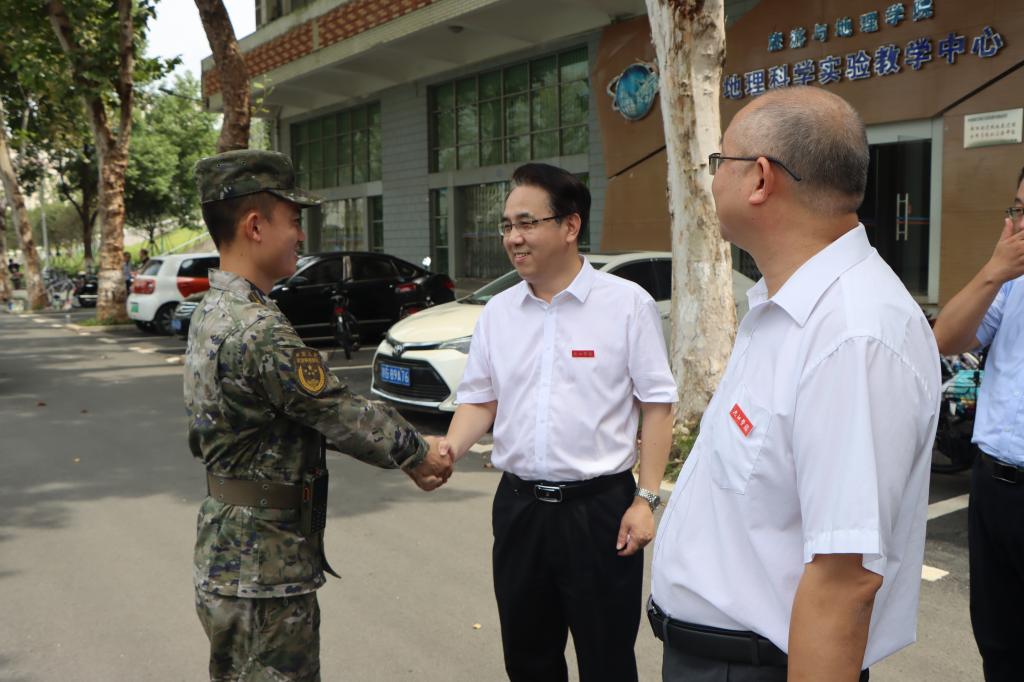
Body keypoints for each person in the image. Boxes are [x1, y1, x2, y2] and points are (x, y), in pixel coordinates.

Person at [649, 87, 941, 682]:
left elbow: (844, 582)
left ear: (760, 179)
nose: (711, 179)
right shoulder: (788, 306)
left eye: (719, 162)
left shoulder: (851, 335)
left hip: (756, 668)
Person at [187, 149, 452, 681]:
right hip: (261, 567)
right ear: (255, 226)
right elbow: (334, 409)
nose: (301, 235)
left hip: (235, 551)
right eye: (293, 220)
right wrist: (417, 452)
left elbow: (292, 413)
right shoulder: (257, 329)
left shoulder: (214, 311)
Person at [439, 162, 677, 681]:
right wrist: (449, 450)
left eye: (527, 223)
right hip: (519, 510)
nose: (513, 238)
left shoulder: (625, 305)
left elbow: (657, 404)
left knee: (607, 661)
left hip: (600, 513)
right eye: (506, 225)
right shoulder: (499, 313)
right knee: (528, 660)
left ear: (570, 226)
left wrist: (646, 499)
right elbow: (480, 400)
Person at [932, 167, 1024, 682]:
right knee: (998, 643)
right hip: (994, 487)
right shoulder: (1011, 282)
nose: (1020, 224)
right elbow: (946, 339)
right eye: (1018, 210)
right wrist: (994, 271)